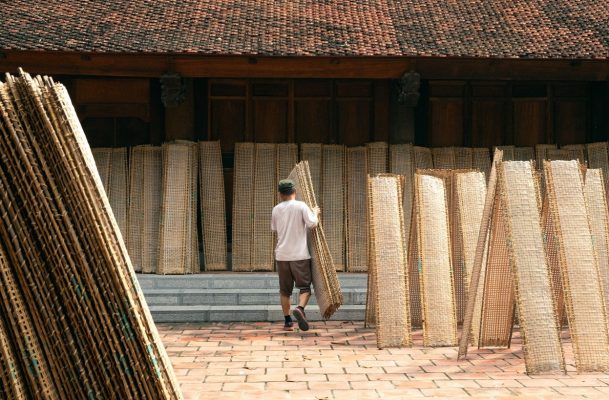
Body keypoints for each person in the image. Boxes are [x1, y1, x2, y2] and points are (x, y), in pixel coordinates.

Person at [271, 179, 320, 331]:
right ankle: (299, 308)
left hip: (282, 255)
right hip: (299, 255)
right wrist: (316, 213)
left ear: (280, 194)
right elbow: (312, 224)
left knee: (285, 290)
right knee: (305, 288)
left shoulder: (276, 209)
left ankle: (287, 321)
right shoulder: (301, 206)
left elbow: (274, 229)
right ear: (294, 192)